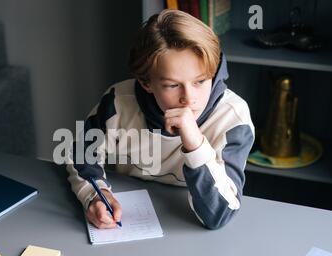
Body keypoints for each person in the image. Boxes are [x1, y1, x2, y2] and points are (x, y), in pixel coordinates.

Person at [66, 9, 255, 230]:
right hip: (127, 220)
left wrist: (194, 142)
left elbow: (219, 215)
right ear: (146, 83)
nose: (188, 99)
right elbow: (82, 153)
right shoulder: (118, 102)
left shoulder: (233, 118)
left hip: (187, 226)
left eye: (201, 81)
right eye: (172, 85)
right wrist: (95, 195)